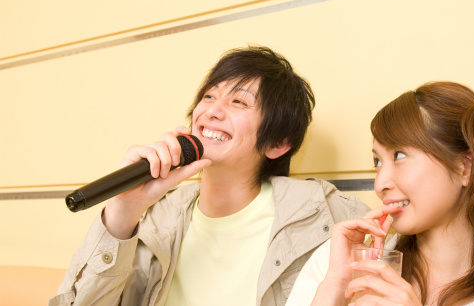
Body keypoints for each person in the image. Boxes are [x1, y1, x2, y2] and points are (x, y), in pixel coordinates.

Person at [48, 45, 370, 306]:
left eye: (239, 102)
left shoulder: (324, 216)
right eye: (209, 96)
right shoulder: (158, 220)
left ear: (277, 143)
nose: (212, 112)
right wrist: (124, 210)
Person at [286, 81, 474, 306]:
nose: (380, 183)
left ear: (465, 167)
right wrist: (334, 287)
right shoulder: (336, 262)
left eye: (399, 155)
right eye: (377, 161)